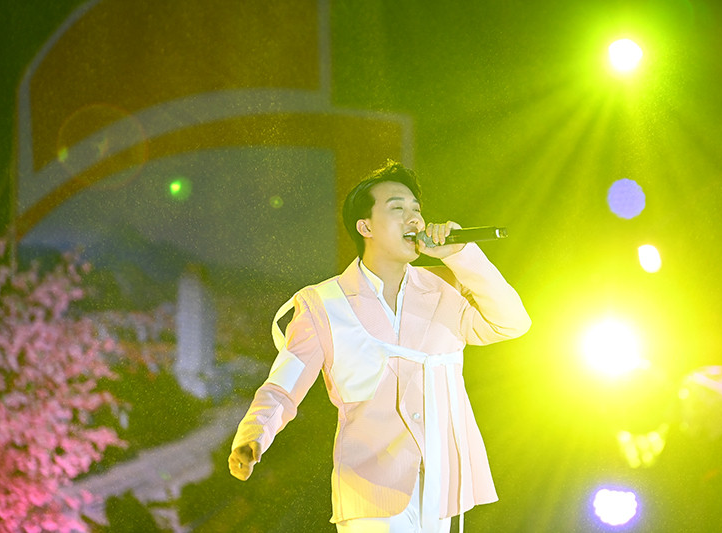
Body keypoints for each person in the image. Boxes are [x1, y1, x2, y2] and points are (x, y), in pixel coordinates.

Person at [228, 161, 531, 532]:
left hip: (441, 486)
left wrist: (461, 254)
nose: (414, 218)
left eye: (416, 209)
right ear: (366, 227)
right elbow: (283, 388)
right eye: (397, 208)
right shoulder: (324, 303)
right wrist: (253, 437)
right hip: (370, 489)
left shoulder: (445, 287)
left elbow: (512, 322)